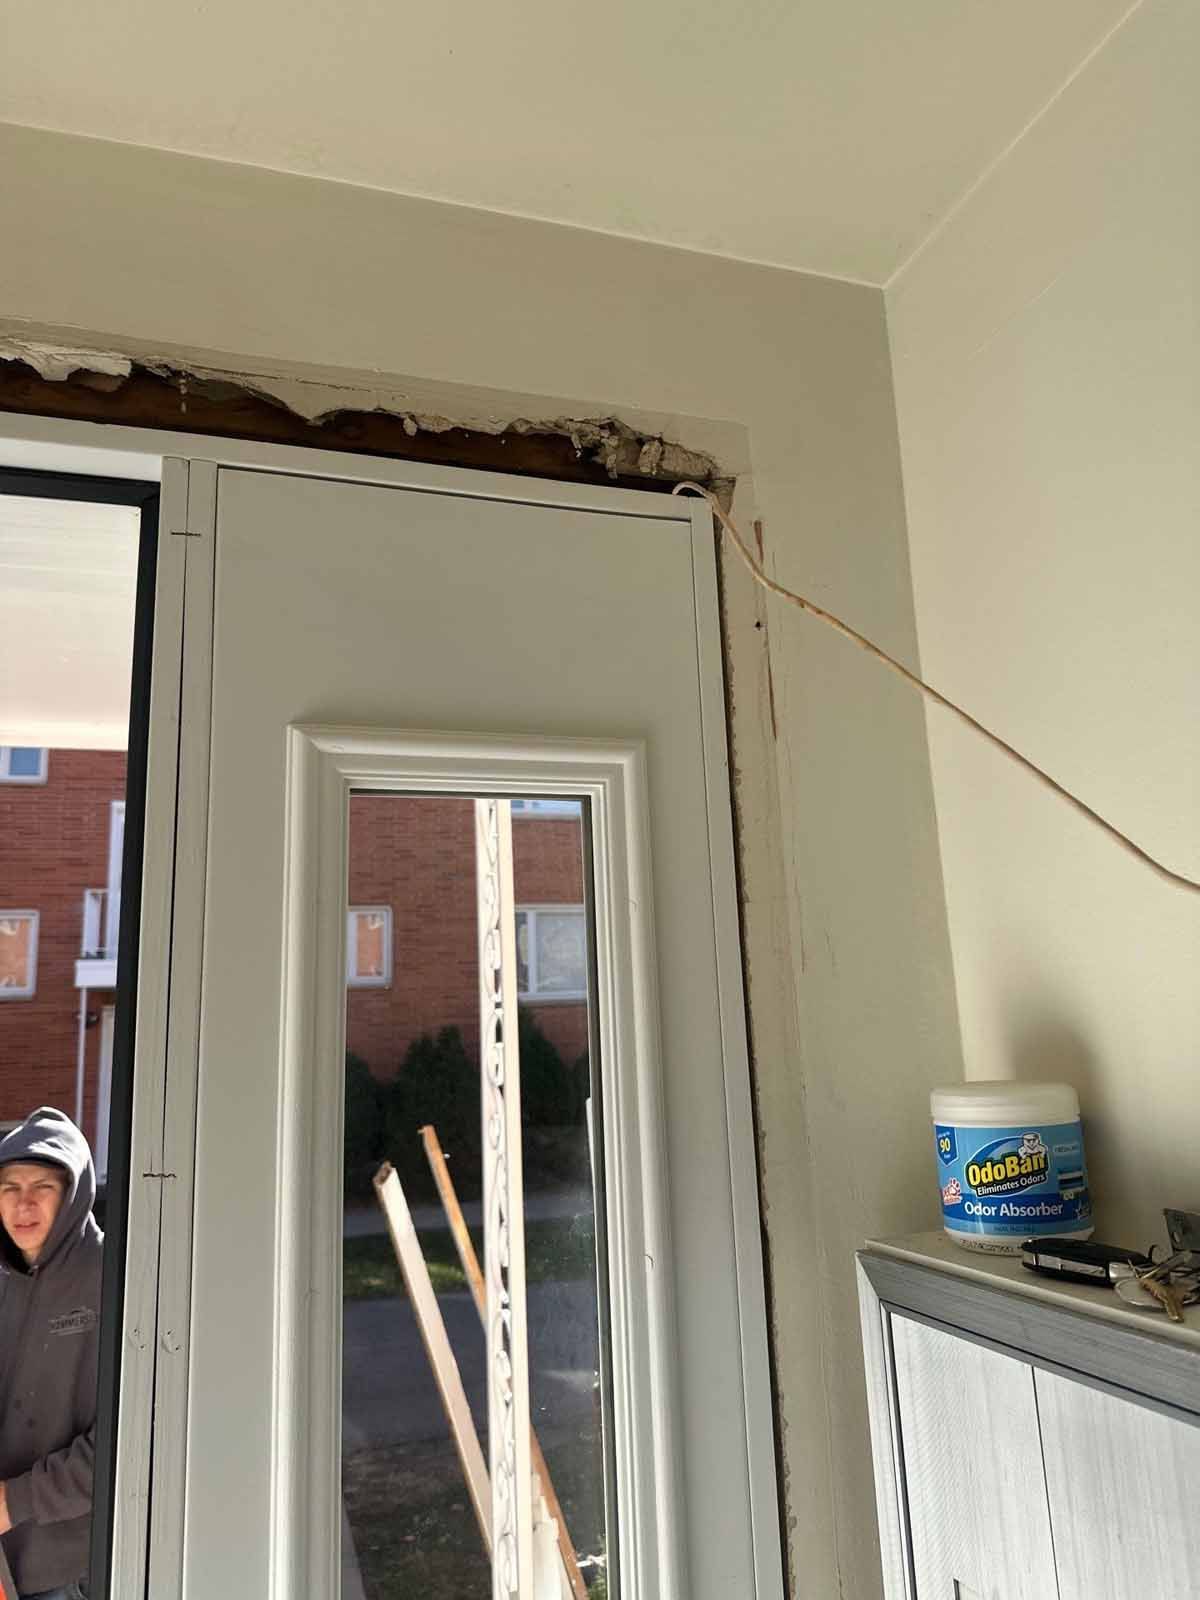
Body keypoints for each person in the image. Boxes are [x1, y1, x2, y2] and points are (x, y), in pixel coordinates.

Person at [0, 1108, 102, 1600]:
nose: (23, 1204)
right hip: (5, 1562)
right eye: (8, 1188)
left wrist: (14, 1501)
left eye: (42, 1186)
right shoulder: (4, 1277)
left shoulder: (115, 1279)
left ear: (74, 1193)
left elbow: (127, 1440)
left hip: (68, 1566)